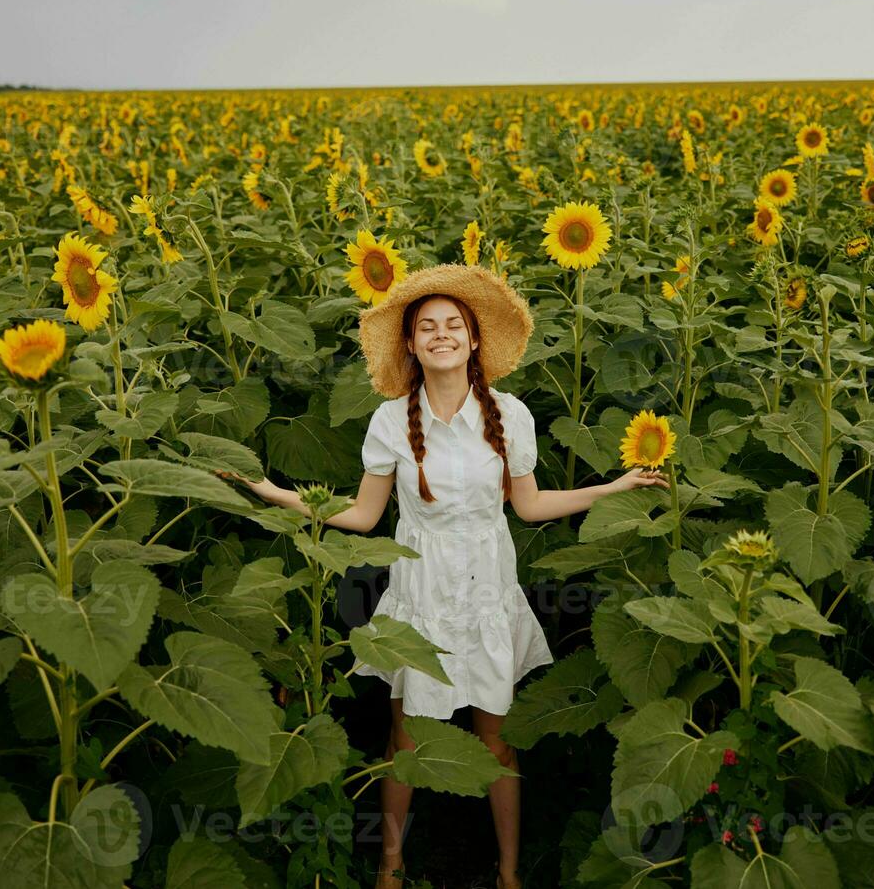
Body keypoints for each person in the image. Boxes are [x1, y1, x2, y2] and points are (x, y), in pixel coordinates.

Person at [221, 264, 667, 889]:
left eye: (453, 325)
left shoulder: (510, 414)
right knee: (405, 740)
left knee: (495, 740)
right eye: (426, 327)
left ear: (474, 338)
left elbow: (530, 506)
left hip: (486, 587)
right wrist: (273, 492)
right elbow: (364, 515)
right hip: (421, 589)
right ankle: (390, 866)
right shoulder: (390, 420)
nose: (441, 335)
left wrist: (612, 487)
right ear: (410, 344)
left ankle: (509, 873)